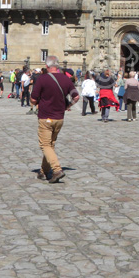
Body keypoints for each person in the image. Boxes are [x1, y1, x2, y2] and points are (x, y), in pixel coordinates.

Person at [30, 55, 80, 183]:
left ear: (47, 66)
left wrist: (33, 101)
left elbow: (34, 99)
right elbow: (76, 97)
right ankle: (43, 171)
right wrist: (68, 105)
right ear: (57, 66)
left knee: (45, 145)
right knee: (50, 145)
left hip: (46, 117)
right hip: (59, 118)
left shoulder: (43, 79)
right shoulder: (65, 79)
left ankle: (57, 169)